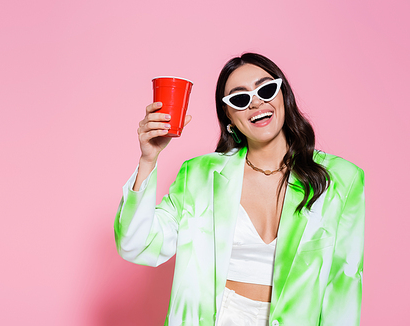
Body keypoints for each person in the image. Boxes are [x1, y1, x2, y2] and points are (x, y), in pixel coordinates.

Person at [114, 52, 365, 326]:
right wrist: (148, 159)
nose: (256, 102)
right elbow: (136, 245)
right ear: (229, 115)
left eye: (266, 89)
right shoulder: (199, 175)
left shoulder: (340, 179)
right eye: (240, 98)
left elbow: (343, 283)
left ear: (284, 96)